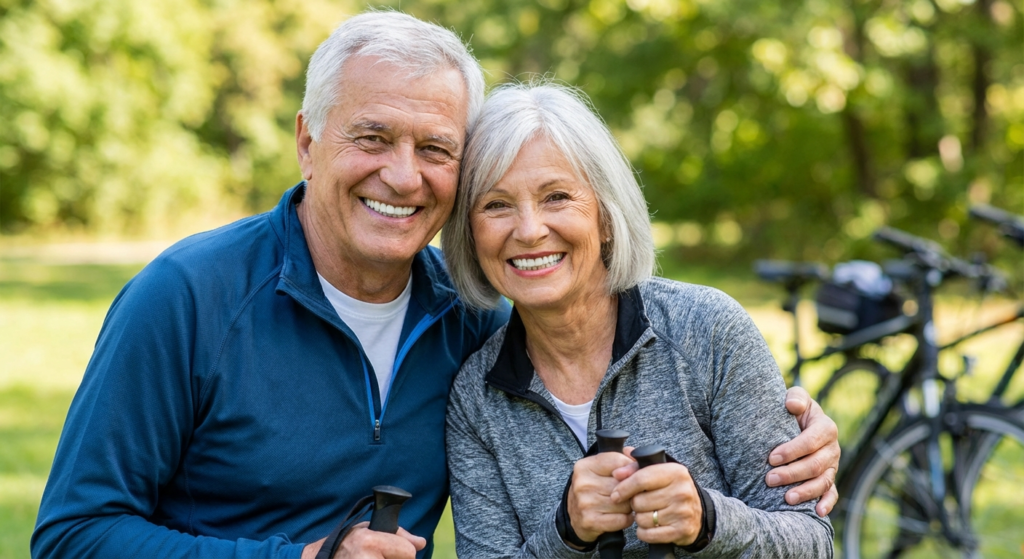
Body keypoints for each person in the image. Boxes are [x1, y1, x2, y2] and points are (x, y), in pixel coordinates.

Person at [32, 11, 837, 559]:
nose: (403, 175)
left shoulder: (472, 314)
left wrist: (794, 424)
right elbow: (72, 534)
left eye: (436, 148)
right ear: (308, 141)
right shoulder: (185, 297)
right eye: (372, 136)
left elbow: (594, 329)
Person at [443, 82, 834, 557]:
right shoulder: (475, 399)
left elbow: (811, 541)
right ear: (470, 234)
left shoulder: (708, 330)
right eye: (496, 205)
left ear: (606, 217)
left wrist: (707, 521)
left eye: (557, 197)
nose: (528, 230)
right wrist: (565, 533)